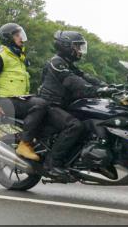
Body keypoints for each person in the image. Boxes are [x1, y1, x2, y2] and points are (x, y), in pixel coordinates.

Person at [38, 30, 118, 179]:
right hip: (50, 105)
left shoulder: (68, 63)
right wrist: (99, 90)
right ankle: (52, 165)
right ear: (66, 46)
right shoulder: (56, 63)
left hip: (65, 105)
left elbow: (85, 77)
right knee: (74, 126)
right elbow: (74, 82)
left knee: (91, 120)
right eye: (77, 46)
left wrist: (109, 86)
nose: (80, 50)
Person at [0, 23, 49, 161]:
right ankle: (25, 143)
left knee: (49, 106)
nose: (21, 38)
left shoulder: (19, 58)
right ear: (8, 38)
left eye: (20, 35)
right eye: (17, 35)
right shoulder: (0, 56)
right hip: (6, 101)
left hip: (19, 99)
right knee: (40, 105)